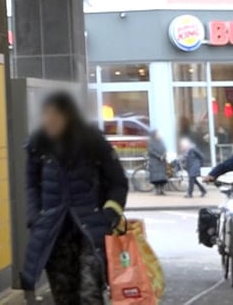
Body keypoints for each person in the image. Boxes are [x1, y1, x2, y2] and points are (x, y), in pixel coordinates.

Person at [22, 92, 128, 304]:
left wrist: (110, 214)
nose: (49, 121)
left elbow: (118, 182)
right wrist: (35, 216)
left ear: (68, 116)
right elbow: (31, 185)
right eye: (46, 115)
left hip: (90, 231)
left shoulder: (92, 142)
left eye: (55, 116)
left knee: (90, 294)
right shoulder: (38, 145)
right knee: (64, 297)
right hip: (54, 232)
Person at [147, 129, 168, 196]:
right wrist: (159, 156)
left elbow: (165, 149)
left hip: (162, 162)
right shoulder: (151, 142)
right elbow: (151, 151)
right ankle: (157, 189)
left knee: (162, 177)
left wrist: (164, 155)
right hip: (155, 162)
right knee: (155, 178)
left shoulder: (161, 141)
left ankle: (162, 189)